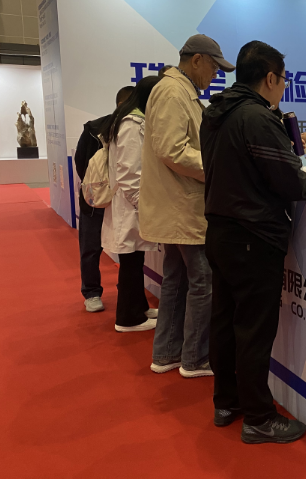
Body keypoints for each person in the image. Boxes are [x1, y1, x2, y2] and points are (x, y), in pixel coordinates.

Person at [201, 40, 306, 444]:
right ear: (269, 78)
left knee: (225, 321)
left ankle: (226, 401)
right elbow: (287, 179)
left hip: (221, 230)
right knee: (253, 329)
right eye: (282, 80)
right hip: (254, 235)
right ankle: (259, 417)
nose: (283, 87)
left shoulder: (216, 112)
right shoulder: (257, 117)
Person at [140, 34, 235, 378]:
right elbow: (173, 150)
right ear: (197, 60)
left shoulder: (180, 91)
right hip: (182, 205)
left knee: (177, 281)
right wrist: (218, 166)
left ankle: (167, 353)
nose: (215, 74)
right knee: (202, 282)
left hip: (178, 205)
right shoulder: (173, 92)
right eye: (214, 67)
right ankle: (195, 358)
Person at [100, 76, 161, 332]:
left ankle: (139, 308)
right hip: (131, 204)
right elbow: (129, 172)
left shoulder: (134, 121)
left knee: (135, 260)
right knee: (130, 262)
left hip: (132, 203)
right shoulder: (131, 123)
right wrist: (141, 205)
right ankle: (128, 318)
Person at [74, 85, 134, 313]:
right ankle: (91, 292)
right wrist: (99, 189)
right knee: (90, 248)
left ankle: (127, 293)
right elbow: (81, 164)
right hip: (96, 201)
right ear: (121, 105)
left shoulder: (138, 129)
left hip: (123, 201)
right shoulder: (93, 129)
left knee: (128, 250)